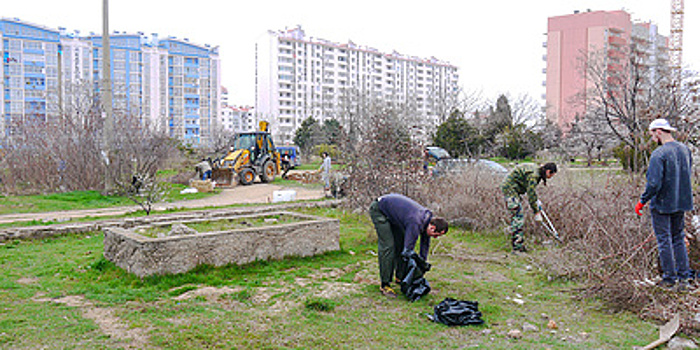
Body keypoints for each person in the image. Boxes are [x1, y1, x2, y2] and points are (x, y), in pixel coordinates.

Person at [635, 118, 693, 291]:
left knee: (664, 240)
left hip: (662, 203)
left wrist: (642, 201)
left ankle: (669, 279)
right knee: (678, 239)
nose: (652, 138)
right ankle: (684, 278)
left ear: (658, 131)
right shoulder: (685, 150)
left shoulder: (659, 154)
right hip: (681, 202)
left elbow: (654, 183)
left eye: (652, 134)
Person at [368, 193, 449, 298]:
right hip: (380, 209)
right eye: (436, 235)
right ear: (432, 228)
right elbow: (408, 250)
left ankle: (399, 277)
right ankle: (385, 284)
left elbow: (424, 246)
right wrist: (411, 273)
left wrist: (422, 267)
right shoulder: (416, 223)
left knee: (401, 245)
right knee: (388, 246)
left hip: (395, 214)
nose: (436, 237)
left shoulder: (427, 220)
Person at [501, 162, 558, 252]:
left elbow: (531, 192)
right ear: (548, 172)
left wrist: (536, 201)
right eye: (551, 175)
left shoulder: (538, 172)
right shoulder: (534, 175)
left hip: (515, 189)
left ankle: (518, 245)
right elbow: (530, 194)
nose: (550, 178)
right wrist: (536, 212)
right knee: (518, 218)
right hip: (510, 189)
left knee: (517, 216)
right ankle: (517, 248)